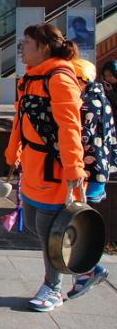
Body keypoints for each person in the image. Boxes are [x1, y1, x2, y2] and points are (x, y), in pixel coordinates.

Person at [5, 23, 84, 312]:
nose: (21, 48)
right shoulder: (30, 78)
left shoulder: (60, 78)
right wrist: (12, 151)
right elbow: (20, 119)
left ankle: (53, 288)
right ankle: (87, 270)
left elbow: (70, 127)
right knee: (39, 227)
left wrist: (75, 170)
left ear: (44, 47)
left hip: (55, 171)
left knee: (50, 231)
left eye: (27, 43)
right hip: (33, 168)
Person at [64, 58, 114, 299]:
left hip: (88, 175)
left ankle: (88, 270)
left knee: (75, 226)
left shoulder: (85, 104)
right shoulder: (100, 97)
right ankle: (87, 271)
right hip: (99, 173)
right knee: (77, 224)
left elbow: (79, 140)